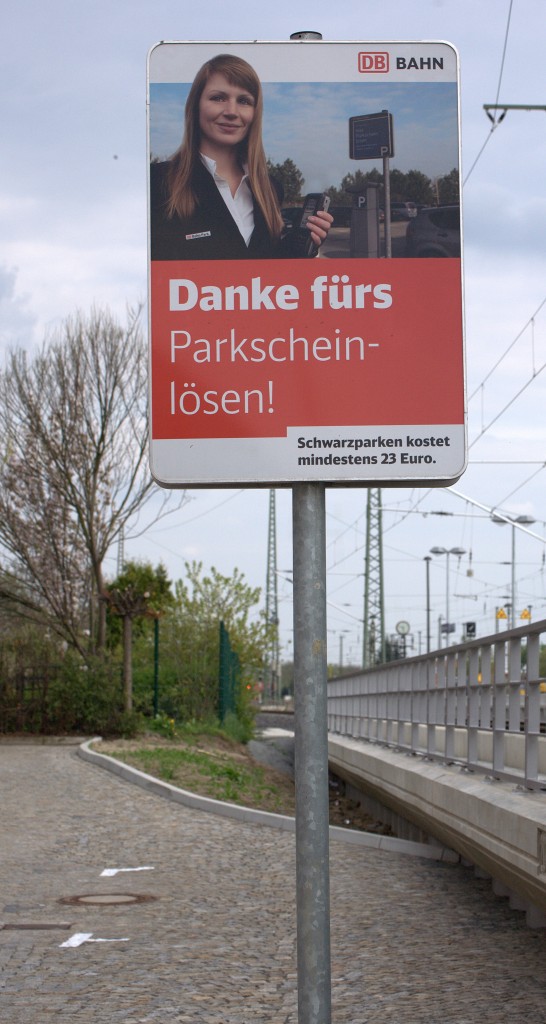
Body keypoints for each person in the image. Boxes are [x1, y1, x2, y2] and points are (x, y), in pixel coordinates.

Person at [150, 53, 333, 261]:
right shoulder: (157, 181)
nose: (231, 111)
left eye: (244, 101)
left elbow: (263, 271)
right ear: (196, 105)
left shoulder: (270, 189)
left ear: (255, 113)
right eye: (218, 98)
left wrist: (298, 247)